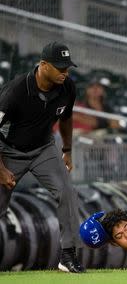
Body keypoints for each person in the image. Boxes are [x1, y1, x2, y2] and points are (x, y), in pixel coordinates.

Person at [0, 42, 84, 273]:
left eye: (67, 67)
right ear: (43, 65)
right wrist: (1, 169)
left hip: (43, 149)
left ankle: (68, 256)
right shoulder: (15, 90)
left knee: (67, 192)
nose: (65, 72)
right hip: (7, 150)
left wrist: (67, 150)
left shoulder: (68, 87)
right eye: (59, 67)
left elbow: (66, 118)